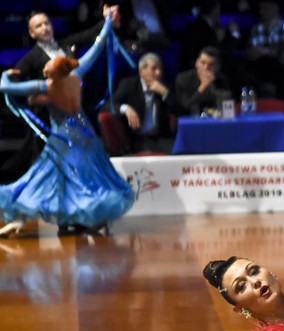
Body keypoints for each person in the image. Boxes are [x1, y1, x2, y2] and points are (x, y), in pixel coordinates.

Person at [0, 13, 134, 238]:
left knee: (43, 178)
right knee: (83, 178)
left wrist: (4, 75)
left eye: (49, 66)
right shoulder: (76, 74)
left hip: (63, 137)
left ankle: (22, 219)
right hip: (85, 133)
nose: (45, 68)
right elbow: (97, 47)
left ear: (57, 70)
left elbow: (6, 88)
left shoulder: (48, 86)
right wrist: (108, 24)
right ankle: (85, 218)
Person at [1, 5, 120, 187]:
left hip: (75, 113)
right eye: (39, 26)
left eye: (46, 23)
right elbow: (15, 81)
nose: (44, 28)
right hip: (48, 119)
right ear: (32, 33)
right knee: (42, 162)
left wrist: (107, 20)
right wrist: (34, 96)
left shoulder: (66, 45)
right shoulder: (32, 58)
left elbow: (92, 36)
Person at [110, 52, 177, 154]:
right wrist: (126, 108)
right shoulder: (129, 85)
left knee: (179, 154)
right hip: (136, 139)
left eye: (160, 69)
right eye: (154, 69)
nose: (158, 73)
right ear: (142, 71)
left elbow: (179, 109)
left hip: (160, 139)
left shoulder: (164, 87)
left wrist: (164, 93)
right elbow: (108, 105)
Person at [245, 0, 284, 100]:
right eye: (260, 8)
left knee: (280, 69)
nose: (261, 11)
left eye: (265, 8)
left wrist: (263, 51)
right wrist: (271, 51)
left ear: (275, 8)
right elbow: (251, 53)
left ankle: (280, 107)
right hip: (260, 66)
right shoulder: (256, 29)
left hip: (281, 66)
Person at [175, 46, 231, 116]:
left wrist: (212, 88)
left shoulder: (222, 80)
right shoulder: (183, 79)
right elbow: (184, 109)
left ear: (218, 66)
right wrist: (203, 87)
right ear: (196, 63)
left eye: (211, 65)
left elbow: (227, 109)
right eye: (203, 63)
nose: (206, 68)